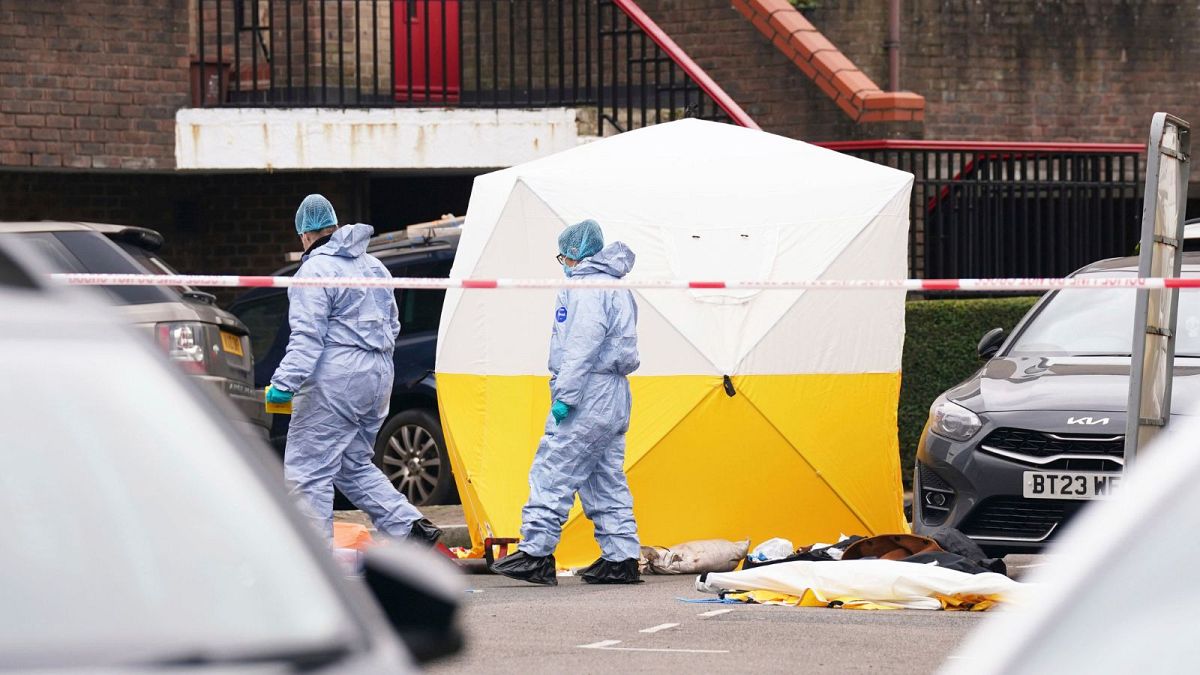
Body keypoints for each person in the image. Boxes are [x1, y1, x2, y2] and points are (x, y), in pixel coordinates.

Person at [265, 194, 442, 547]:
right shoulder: (374, 266)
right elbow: (392, 326)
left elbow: (307, 337)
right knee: (353, 465)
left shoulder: (314, 270)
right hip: (377, 376)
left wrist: (283, 383)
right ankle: (411, 528)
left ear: (304, 234)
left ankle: (313, 560)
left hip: (337, 379)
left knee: (307, 474)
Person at [490, 219, 642, 585]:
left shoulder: (587, 289)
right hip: (613, 395)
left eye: (562, 255)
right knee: (603, 478)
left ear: (575, 254)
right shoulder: (615, 286)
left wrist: (566, 397)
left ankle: (536, 554)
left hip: (588, 393)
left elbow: (581, 347)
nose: (562, 262)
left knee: (553, 469)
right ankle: (621, 557)